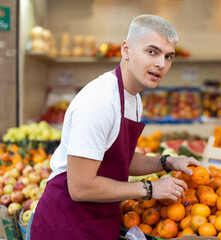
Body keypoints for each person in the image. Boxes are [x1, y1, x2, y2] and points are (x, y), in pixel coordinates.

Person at [26, 14, 204, 240]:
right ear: (126, 50)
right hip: (66, 224)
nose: (161, 64)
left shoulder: (133, 98)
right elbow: (80, 187)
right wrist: (149, 189)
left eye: (169, 56)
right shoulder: (99, 101)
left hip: (99, 221)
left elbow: (119, 159)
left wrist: (167, 162)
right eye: (152, 51)